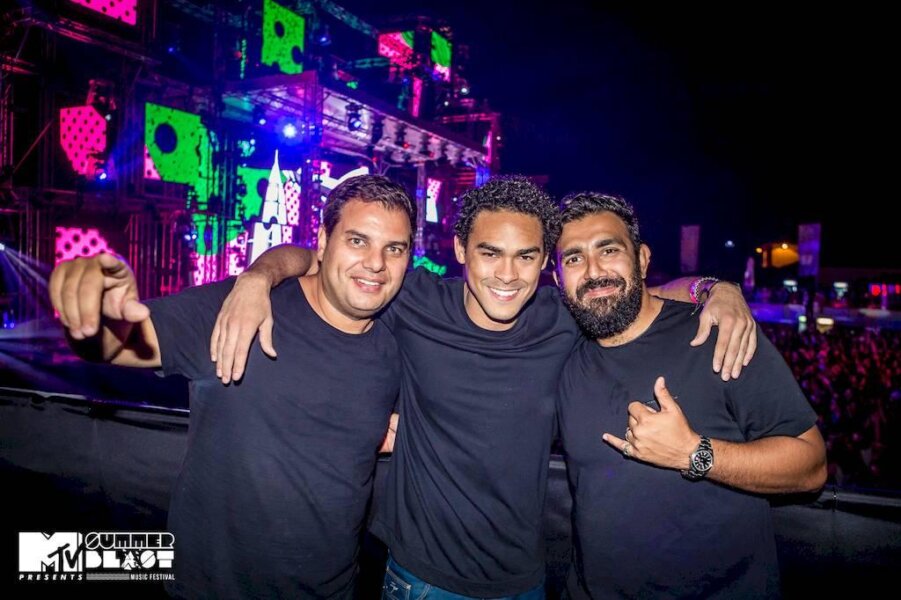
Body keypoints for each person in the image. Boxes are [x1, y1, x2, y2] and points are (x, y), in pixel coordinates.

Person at [211, 176, 757, 598]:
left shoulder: (562, 315)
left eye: (526, 257)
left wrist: (717, 289)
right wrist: (257, 277)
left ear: (545, 263)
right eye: (490, 252)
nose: (507, 274)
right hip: (421, 578)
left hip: (524, 580)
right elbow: (317, 256)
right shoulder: (412, 299)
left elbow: (641, 294)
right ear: (460, 249)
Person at [48, 175, 415, 598]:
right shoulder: (242, 310)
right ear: (322, 240)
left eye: (394, 248)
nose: (375, 263)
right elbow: (117, 344)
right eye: (357, 241)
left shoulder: (400, 343)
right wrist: (94, 311)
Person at [553, 192, 827, 598]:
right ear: (558, 277)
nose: (594, 271)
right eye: (574, 258)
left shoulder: (718, 333)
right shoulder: (560, 351)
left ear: (642, 259)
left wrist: (694, 453)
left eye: (609, 250)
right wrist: (709, 285)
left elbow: (811, 465)